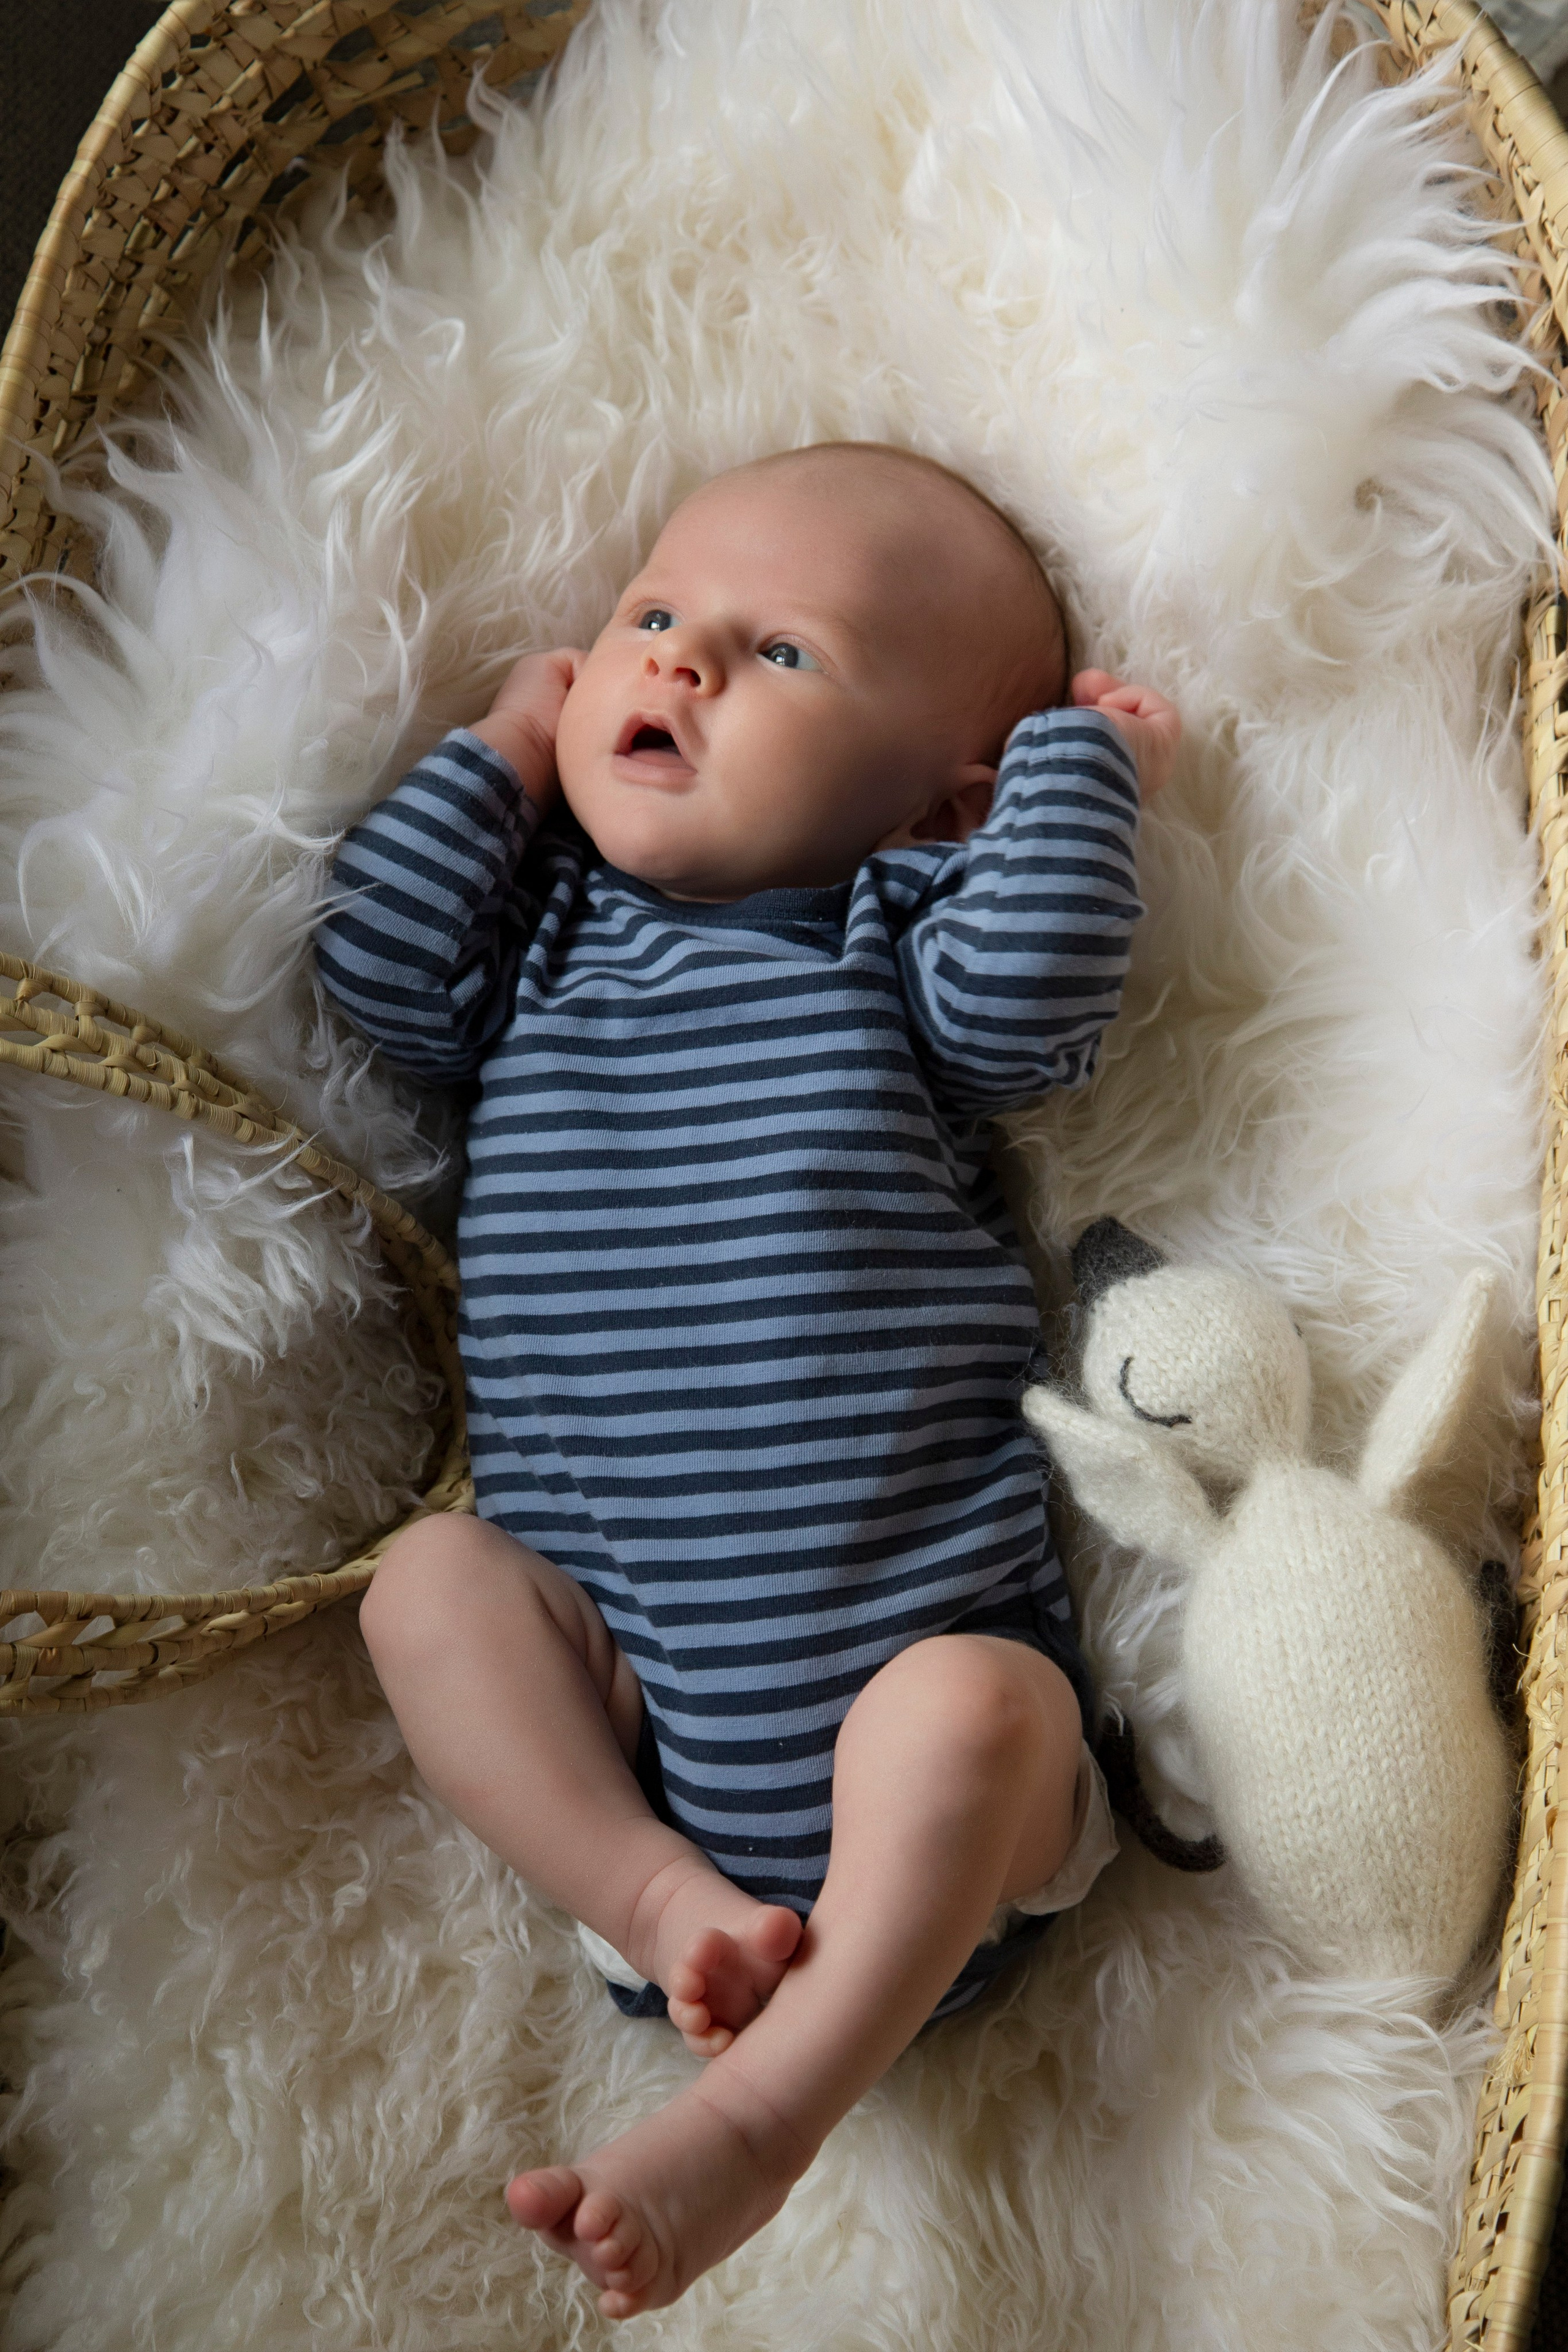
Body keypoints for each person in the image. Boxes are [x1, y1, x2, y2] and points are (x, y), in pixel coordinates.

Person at [314, 440, 1179, 2316]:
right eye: (649, 620)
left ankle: (764, 2120)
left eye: (778, 654)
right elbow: (368, 967)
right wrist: (501, 740)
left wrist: (1078, 777)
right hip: (634, 1740)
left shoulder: (895, 948)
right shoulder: (531, 950)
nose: (679, 663)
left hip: (925, 1750)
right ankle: (645, 1899)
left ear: (937, 804)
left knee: (973, 1714)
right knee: (426, 1588)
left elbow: (1040, 993)